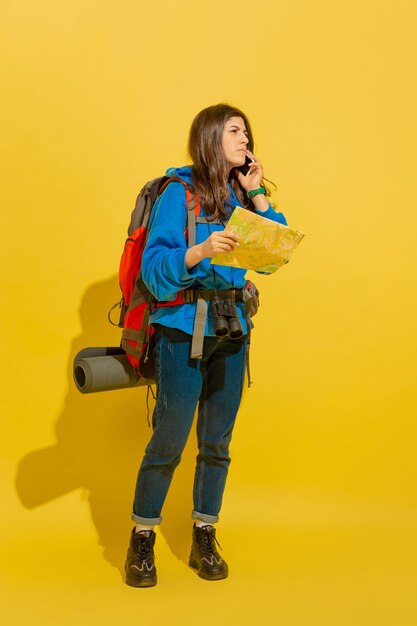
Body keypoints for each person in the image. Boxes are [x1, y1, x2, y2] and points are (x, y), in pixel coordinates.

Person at [124, 103, 288, 587]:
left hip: (233, 330)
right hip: (183, 331)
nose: (245, 139)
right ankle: (143, 537)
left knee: (217, 444)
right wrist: (198, 251)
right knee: (169, 441)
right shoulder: (179, 193)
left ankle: (204, 533)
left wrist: (258, 196)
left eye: (247, 132)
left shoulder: (243, 194)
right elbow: (153, 272)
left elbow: (275, 260)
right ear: (210, 137)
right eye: (234, 131)